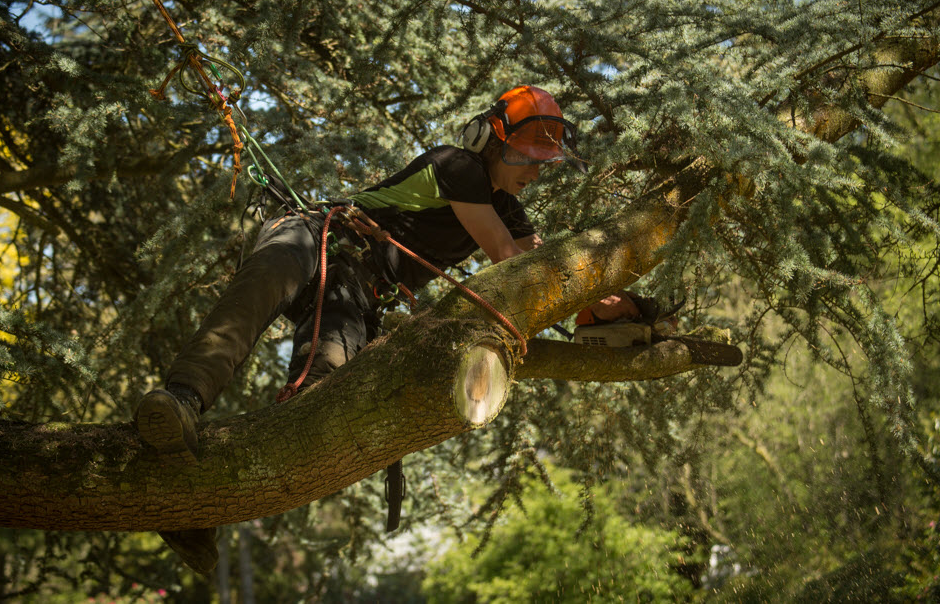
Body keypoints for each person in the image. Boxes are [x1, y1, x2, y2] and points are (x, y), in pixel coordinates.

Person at [134, 85, 640, 572]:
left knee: (317, 404)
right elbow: (511, 260)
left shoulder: (508, 208)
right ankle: (181, 398)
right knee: (263, 283)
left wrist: (606, 305)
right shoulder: (458, 166)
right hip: (320, 235)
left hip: (357, 289)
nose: (534, 170)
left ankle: (198, 505)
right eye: (526, 156)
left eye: (541, 161)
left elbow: (548, 272)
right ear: (489, 143)